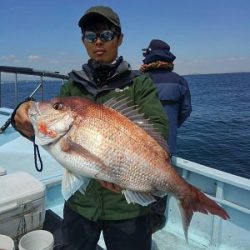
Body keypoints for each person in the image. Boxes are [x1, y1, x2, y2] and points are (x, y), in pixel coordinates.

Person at [11, 6, 169, 250]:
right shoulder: (72, 86)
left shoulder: (139, 85)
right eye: (90, 36)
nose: (98, 42)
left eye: (106, 35)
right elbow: (48, 129)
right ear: (83, 41)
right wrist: (21, 115)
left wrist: (128, 173)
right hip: (80, 205)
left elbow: (158, 130)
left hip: (127, 209)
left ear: (120, 39)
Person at [140, 39, 192, 233]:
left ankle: (138, 226)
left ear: (149, 55)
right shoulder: (179, 81)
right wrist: (171, 129)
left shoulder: (138, 80)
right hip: (167, 146)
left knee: (137, 183)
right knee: (160, 186)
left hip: (137, 146)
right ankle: (154, 223)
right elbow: (186, 110)